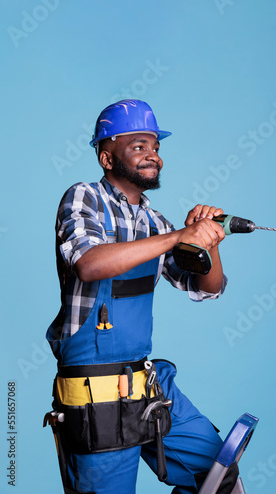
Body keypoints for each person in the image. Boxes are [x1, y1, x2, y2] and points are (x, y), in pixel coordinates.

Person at [46, 99, 239, 494]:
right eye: (139, 147)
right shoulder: (83, 198)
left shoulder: (153, 220)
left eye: (155, 148)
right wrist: (176, 237)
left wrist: (209, 238)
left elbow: (207, 288)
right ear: (106, 157)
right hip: (94, 398)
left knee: (218, 475)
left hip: (147, 386)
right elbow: (89, 263)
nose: (153, 156)